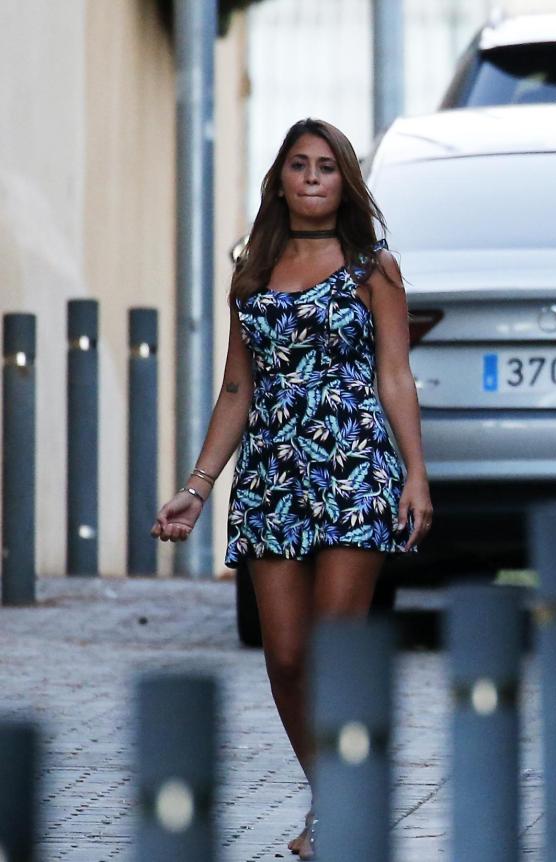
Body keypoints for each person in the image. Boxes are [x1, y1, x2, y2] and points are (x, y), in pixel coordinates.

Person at [150, 118, 433, 858]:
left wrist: (416, 476)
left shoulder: (375, 265)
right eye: (299, 165)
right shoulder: (252, 267)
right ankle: (333, 788)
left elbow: (396, 376)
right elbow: (237, 387)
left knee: (334, 647)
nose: (312, 177)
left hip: (353, 466)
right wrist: (198, 486)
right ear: (280, 178)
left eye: (327, 166)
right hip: (272, 475)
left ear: (345, 181)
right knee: (284, 654)